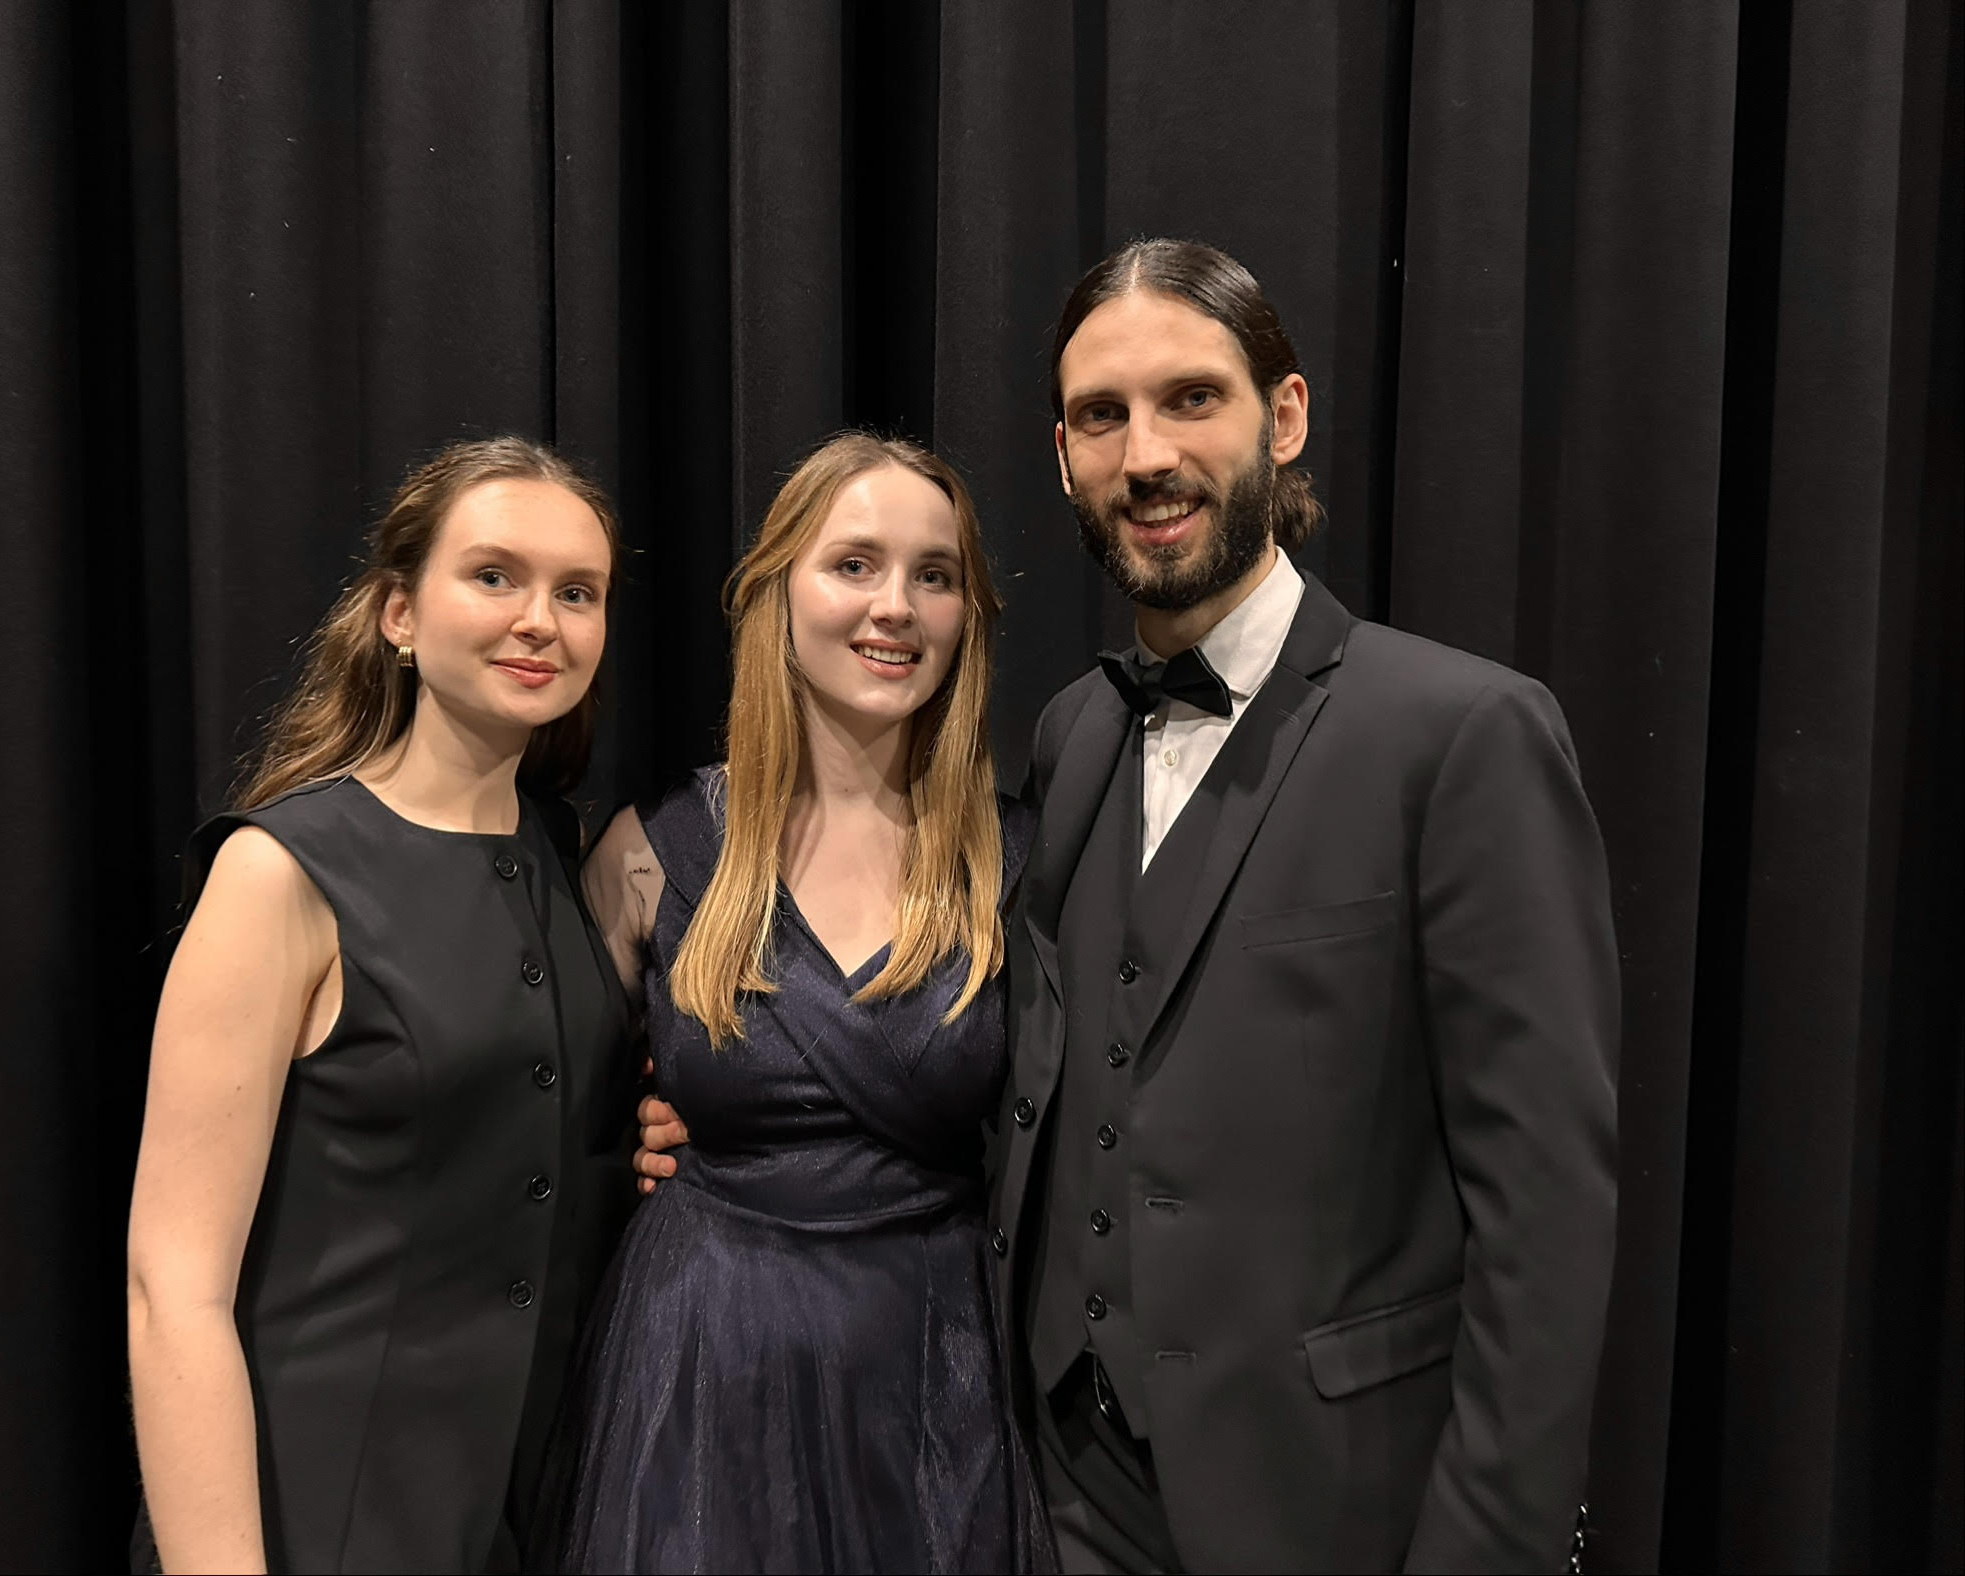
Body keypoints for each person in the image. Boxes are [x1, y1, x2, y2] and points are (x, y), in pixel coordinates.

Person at [642, 241, 1620, 1573]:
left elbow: (1546, 1211)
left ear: (1284, 417)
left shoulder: (1463, 733)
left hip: (1332, 1502)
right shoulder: (1075, 736)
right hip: (1054, 1492)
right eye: (1101, 416)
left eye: (1191, 399)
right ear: (1063, 457)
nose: (1145, 454)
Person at [528, 433, 1054, 1573]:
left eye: (934, 574)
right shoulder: (656, 853)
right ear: (778, 592)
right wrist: (625, 1151)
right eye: (854, 564)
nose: (896, 605)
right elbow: (543, 1134)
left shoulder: (1022, 863)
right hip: (697, 1383)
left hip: (938, 1391)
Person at [126, 437, 637, 1574]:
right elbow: (173, 1289)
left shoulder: (567, 859)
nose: (540, 620)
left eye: (578, 592)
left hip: (529, 1515)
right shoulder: (280, 873)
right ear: (398, 613)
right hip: (317, 1519)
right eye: (494, 576)